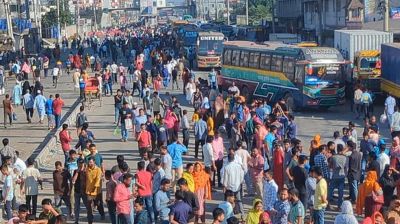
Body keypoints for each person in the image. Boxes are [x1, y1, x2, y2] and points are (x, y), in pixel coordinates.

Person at [222, 153, 245, 218]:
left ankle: (230, 214)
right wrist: (240, 183)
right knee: (239, 200)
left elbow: (225, 179)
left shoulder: (227, 167)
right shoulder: (239, 166)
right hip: (237, 186)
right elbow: (241, 176)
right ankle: (242, 214)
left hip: (229, 187)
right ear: (234, 158)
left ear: (228, 159)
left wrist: (224, 187)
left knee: (229, 202)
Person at [85, 157, 105, 223]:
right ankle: (90, 220)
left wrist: (95, 187)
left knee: (98, 204)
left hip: (96, 191)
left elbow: (98, 179)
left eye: (91, 162)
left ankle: (102, 214)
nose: (90, 163)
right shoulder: (87, 169)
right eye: (89, 162)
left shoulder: (98, 170)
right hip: (88, 191)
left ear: (94, 162)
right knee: (89, 207)